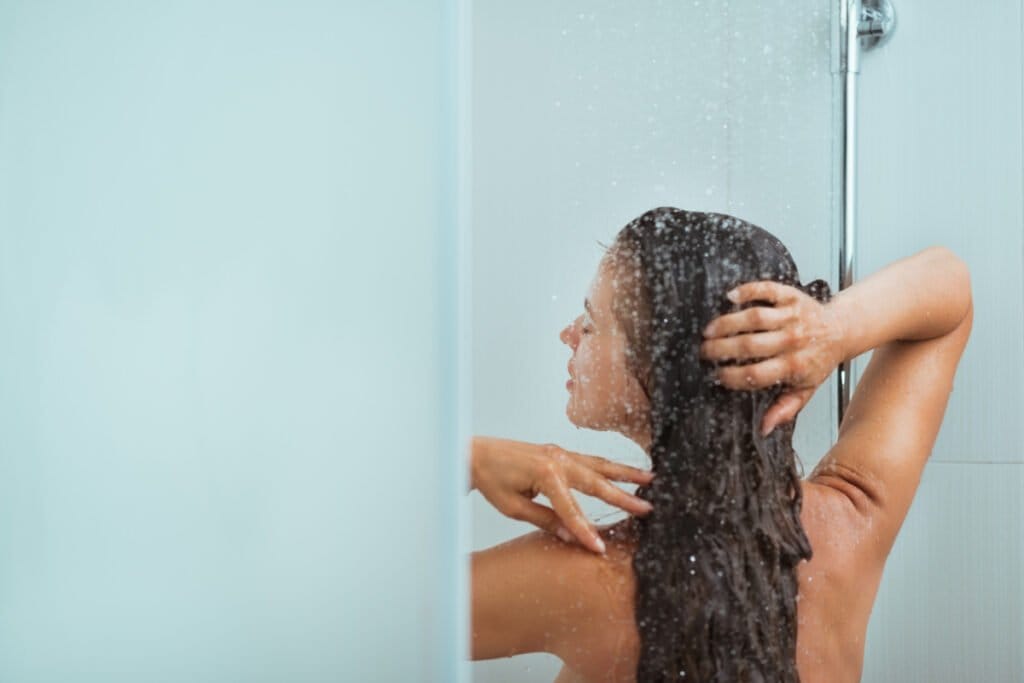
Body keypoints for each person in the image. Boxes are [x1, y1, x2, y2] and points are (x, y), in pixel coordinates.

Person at [469, 207, 973, 682]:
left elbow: (392, 615)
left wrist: (467, 460)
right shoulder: (852, 519)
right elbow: (949, 287)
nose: (568, 335)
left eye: (591, 322)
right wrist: (833, 329)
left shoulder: (584, 578)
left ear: (666, 373)